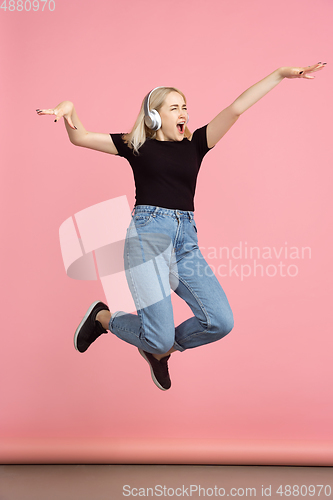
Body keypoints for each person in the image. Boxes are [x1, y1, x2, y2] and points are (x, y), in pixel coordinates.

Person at [36, 63, 326, 391]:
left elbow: (235, 109)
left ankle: (160, 351)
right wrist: (69, 108)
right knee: (157, 337)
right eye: (174, 107)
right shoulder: (136, 145)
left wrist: (280, 75)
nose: (183, 112)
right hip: (148, 237)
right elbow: (81, 137)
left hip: (185, 241)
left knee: (219, 321)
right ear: (154, 116)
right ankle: (105, 318)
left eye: (185, 107)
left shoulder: (196, 145)